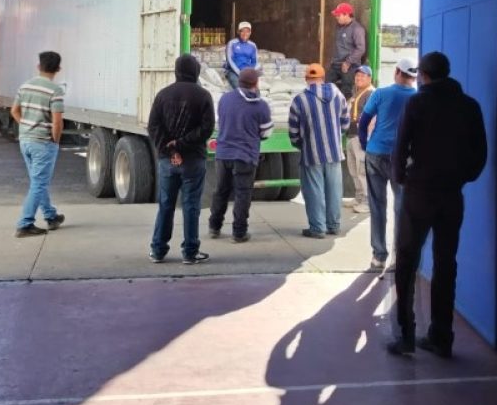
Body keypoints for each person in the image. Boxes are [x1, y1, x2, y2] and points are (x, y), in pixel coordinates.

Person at [387, 51, 487, 358]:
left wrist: (401, 178)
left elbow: (401, 146)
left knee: (407, 261)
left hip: (419, 192)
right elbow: (480, 153)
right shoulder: (470, 106)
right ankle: (442, 337)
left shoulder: (417, 104)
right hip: (451, 195)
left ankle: (405, 335)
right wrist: (461, 178)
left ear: (424, 76)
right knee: (446, 263)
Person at [149, 54, 216, 264]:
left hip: (167, 161)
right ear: (195, 71)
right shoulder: (203, 96)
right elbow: (206, 129)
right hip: (193, 159)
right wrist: (182, 145)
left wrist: (171, 150)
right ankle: (190, 252)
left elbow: (153, 127)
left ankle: (158, 250)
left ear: (176, 71)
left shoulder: (162, 95)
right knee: (191, 206)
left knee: (166, 204)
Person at [358, 57, 417, 271]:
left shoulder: (381, 93)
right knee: (401, 208)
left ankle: (378, 256)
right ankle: (397, 258)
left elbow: (363, 122)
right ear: (413, 77)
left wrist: (365, 144)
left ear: (397, 72)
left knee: (377, 205)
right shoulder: (417, 98)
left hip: (376, 153)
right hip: (402, 158)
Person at [209, 67, 274, 243]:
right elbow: (267, 133)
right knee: (242, 194)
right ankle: (239, 233)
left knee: (221, 191)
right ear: (256, 83)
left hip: (223, 154)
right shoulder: (261, 106)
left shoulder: (225, 99)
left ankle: (214, 227)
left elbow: (221, 122)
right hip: (246, 155)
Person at [288, 63, 348, 239]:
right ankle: (333, 225)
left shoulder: (300, 100)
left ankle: (317, 228)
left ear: (307, 79)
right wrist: (334, 137)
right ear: (323, 78)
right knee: (334, 190)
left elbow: (293, 131)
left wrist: (300, 144)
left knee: (314, 191)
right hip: (334, 153)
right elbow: (345, 123)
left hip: (311, 154)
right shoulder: (338, 95)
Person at [11, 51, 66, 238]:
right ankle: (25, 224)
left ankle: (51, 216)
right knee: (39, 183)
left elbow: (14, 111)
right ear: (58, 69)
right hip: (43, 143)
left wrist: (26, 126)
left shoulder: (25, 86)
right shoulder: (55, 90)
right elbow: (57, 122)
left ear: (38, 66)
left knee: (37, 182)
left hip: (25, 140)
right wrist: (55, 140)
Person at [345, 65, 375, 214]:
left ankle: (367, 202)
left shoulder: (371, 93)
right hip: (352, 135)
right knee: (353, 169)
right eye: (357, 76)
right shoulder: (357, 93)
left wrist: (366, 138)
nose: (359, 78)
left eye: (363, 76)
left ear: (369, 78)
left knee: (362, 170)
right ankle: (359, 197)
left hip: (361, 136)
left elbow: (372, 117)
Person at [326, 2, 366, 99]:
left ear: (346, 15)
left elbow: (361, 49)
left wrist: (348, 62)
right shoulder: (339, 27)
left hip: (350, 66)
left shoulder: (357, 29)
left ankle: (344, 107)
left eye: (338, 15)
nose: (336, 17)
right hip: (336, 64)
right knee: (326, 86)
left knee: (346, 91)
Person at [225, 21, 259, 89]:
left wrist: (250, 73)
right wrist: (239, 73)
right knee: (240, 88)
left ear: (250, 33)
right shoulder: (232, 43)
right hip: (233, 72)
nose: (245, 34)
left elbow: (255, 62)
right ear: (238, 32)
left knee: (255, 90)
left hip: (247, 72)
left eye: (247, 31)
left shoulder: (253, 45)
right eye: (242, 31)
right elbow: (229, 60)